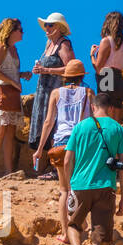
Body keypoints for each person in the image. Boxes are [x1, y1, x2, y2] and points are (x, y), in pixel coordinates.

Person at [61, 94, 123, 245]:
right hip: (106, 188)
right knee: (100, 239)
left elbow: (66, 160)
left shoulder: (80, 127)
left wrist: (69, 184)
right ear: (109, 108)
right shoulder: (119, 129)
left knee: (73, 224)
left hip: (80, 185)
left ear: (92, 107)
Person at [33, 59, 93, 242]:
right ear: (82, 76)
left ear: (65, 77)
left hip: (61, 143)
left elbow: (48, 122)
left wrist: (40, 149)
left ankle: (66, 233)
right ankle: (83, 225)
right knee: (82, 187)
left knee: (64, 190)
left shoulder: (56, 93)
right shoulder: (89, 92)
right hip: (82, 142)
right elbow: (94, 119)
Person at [28, 12, 75, 179]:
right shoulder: (49, 44)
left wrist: (47, 70)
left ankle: (57, 170)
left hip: (56, 92)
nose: (47, 28)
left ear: (59, 28)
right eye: (46, 25)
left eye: (50, 25)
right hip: (44, 92)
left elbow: (71, 67)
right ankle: (53, 167)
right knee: (46, 127)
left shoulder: (64, 45)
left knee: (55, 127)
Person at [0, 19, 30, 178]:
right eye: (20, 29)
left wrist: (22, 75)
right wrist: (12, 81)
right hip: (2, 90)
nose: (22, 32)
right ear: (12, 31)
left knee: (10, 130)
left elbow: (9, 70)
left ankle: (9, 170)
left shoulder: (14, 49)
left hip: (12, 91)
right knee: (1, 129)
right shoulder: (1, 46)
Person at [90, 11, 123, 120]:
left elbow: (99, 69)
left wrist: (92, 56)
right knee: (116, 122)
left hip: (107, 77)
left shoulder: (106, 41)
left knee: (104, 118)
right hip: (119, 80)